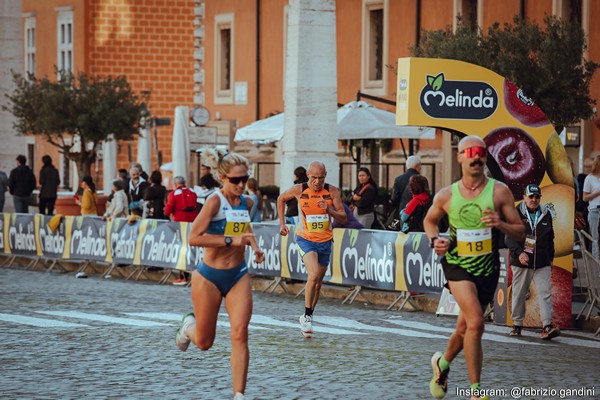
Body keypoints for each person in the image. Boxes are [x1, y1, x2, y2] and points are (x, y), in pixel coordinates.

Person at [423, 135, 524, 400]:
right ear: (460, 157)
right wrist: (435, 241)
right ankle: (475, 391)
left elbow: (521, 231)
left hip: (487, 269)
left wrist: (500, 224)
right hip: (456, 265)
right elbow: (430, 221)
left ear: (485, 156)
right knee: (477, 322)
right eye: (470, 152)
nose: (475, 156)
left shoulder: (499, 191)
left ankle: (442, 364)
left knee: (464, 327)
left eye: (480, 152)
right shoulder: (447, 195)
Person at [175, 151, 265, 400]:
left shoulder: (247, 202)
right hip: (209, 277)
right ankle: (186, 326)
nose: (240, 184)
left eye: (244, 179)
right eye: (235, 180)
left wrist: (255, 248)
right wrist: (229, 240)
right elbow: (194, 237)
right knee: (204, 342)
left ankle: (239, 395)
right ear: (222, 177)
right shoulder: (214, 202)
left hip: (238, 274)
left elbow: (245, 228)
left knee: (240, 332)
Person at [276, 161, 347, 338]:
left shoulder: (332, 191)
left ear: (325, 175)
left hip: (325, 241)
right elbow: (281, 199)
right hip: (305, 239)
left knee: (318, 282)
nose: (317, 181)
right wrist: (282, 224)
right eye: (314, 177)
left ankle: (308, 316)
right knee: (313, 275)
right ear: (308, 175)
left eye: (320, 178)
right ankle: (307, 317)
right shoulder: (299, 190)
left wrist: (329, 210)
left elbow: (344, 217)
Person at [505, 184, 560, 340]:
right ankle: (517, 325)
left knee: (545, 293)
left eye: (537, 197)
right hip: (522, 261)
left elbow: (551, 238)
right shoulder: (515, 213)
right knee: (519, 293)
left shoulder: (546, 213)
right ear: (524, 197)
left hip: (542, 261)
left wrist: (551, 258)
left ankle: (547, 326)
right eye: (531, 197)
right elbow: (508, 238)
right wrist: (520, 253)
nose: (534, 200)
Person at [165, 176, 199, 285]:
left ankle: (183, 277)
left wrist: (166, 213)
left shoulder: (174, 194)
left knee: (181, 249)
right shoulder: (192, 191)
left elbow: (168, 209)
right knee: (191, 248)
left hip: (180, 224)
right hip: (192, 223)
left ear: (175, 184)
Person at [582, 155, 600, 259]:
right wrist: (598, 193)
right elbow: (584, 197)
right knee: (595, 239)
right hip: (595, 210)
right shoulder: (589, 178)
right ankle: (597, 270)